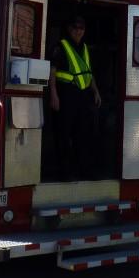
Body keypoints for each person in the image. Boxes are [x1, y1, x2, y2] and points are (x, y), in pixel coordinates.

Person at [49, 15, 102, 182]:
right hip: (65, 95)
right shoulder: (60, 46)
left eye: (82, 28)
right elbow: (52, 72)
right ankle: (64, 173)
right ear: (69, 29)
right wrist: (53, 95)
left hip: (83, 96)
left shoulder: (85, 48)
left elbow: (88, 72)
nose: (79, 31)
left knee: (84, 136)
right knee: (64, 136)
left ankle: (85, 171)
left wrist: (96, 91)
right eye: (76, 28)